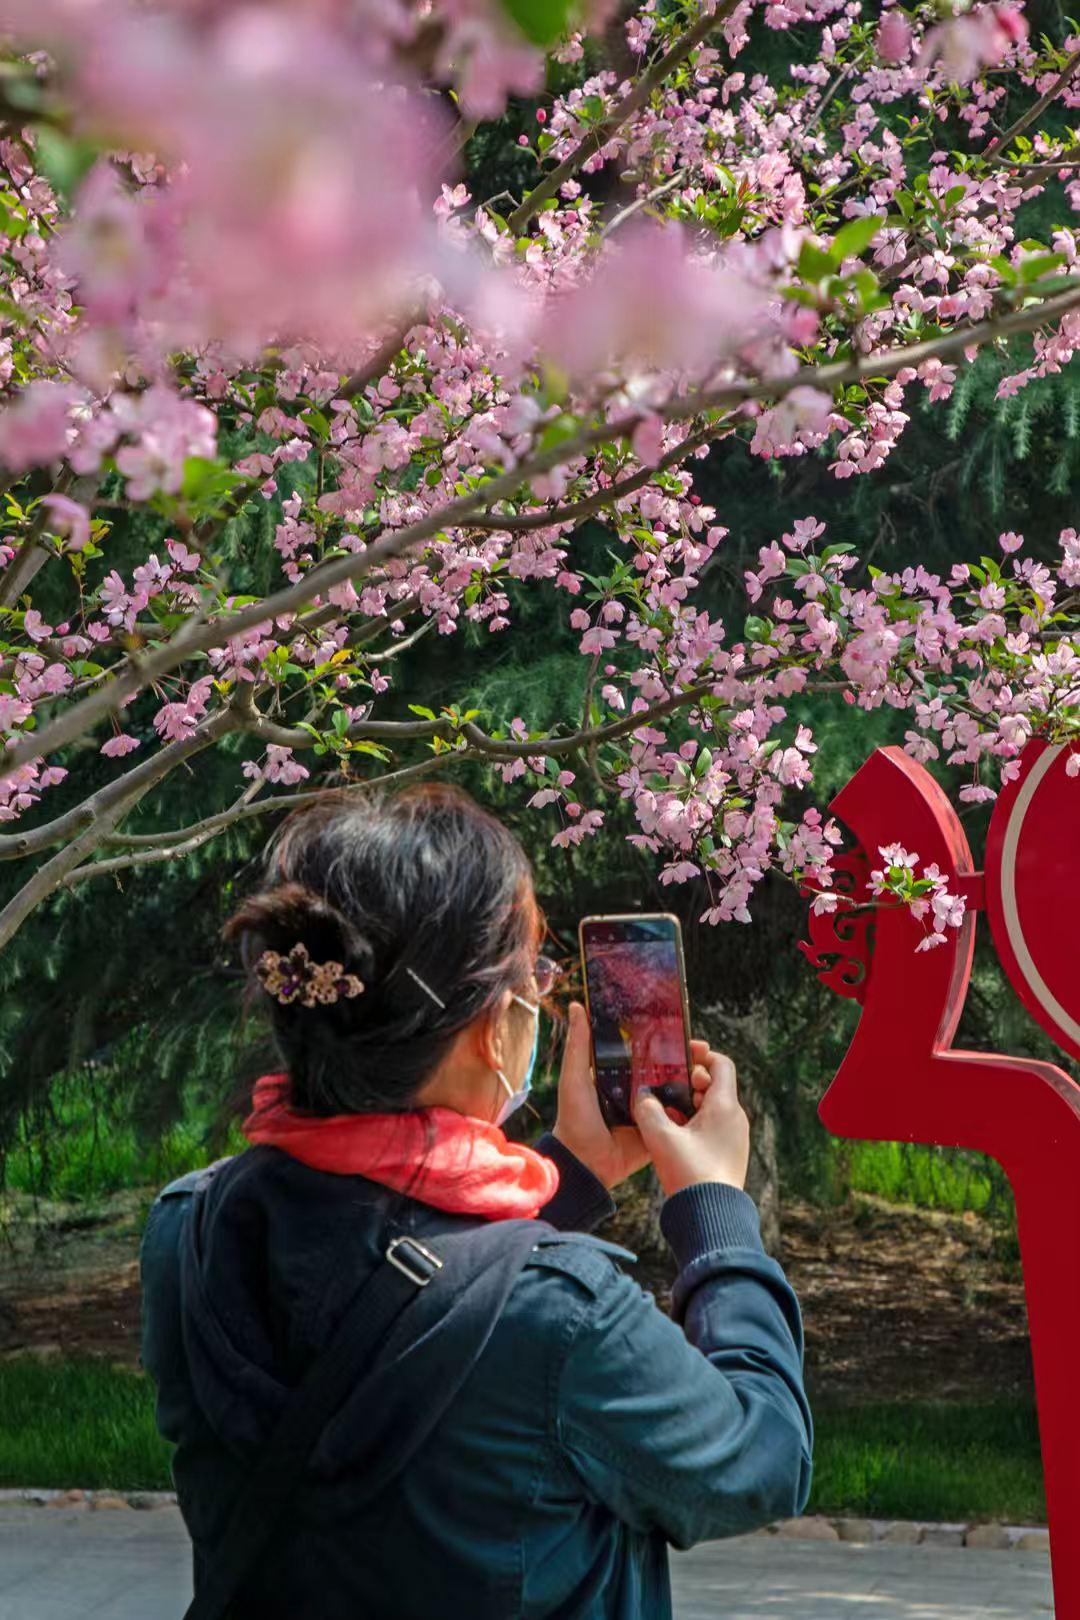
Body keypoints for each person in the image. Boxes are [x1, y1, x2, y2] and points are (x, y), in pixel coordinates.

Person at [140, 783, 812, 1620]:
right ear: (494, 1029)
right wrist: (715, 1211)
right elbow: (760, 1461)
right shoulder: (565, 1312)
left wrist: (569, 1174)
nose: (543, 989)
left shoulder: (189, 1232)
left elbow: (399, 1289)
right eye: (536, 968)